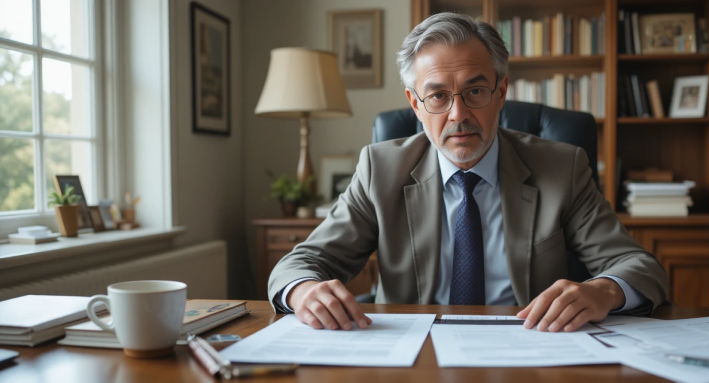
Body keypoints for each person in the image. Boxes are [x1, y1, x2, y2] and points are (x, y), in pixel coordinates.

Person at [269, 12, 668, 333]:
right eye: (438, 95)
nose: (458, 115)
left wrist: (604, 290)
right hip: (413, 353)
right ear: (415, 104)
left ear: (501, 93)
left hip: (529, 347)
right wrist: (304, 291)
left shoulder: (561, 168)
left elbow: (641, 267)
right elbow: (297, 264)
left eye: (475, 92)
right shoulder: (380, 169)